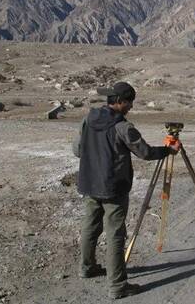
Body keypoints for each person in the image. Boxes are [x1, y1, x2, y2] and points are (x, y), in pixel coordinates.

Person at [72, 81, 180, 299]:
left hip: (90, 183)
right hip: (112, 188)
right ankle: (118, 286)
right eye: (129, 103)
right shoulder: (123, 127)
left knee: (90, 226)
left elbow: (77, 150)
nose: (131, 107)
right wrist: (168, 150)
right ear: (120, 102)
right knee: (115, 235)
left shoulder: (88, 119)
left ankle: (87, 268)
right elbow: (145, 152)